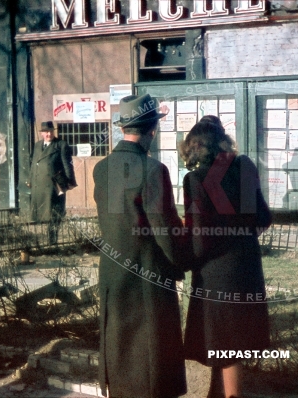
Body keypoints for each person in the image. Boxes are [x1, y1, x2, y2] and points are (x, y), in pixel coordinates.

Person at [93, 94, 187, 398]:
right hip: (149, 276)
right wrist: (182, 263)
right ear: (152, 130)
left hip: (113, 273)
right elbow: (166, 231)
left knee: (120, 353)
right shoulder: (152, 170)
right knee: (152, 363)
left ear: (122, 129)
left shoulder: (102, 169)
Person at [180, 116, 272, 398]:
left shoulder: (195, 180)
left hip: (216, 271)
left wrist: (184, 260)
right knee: (231, 339)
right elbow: (263, 217)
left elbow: (199, 235)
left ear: (195, 148)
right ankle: (215, 393)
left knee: (222, 338)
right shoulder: (244, 166)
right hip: (247, 264)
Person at [29, 121, 76, 245]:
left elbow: (67, 165)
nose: (48, 134)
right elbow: (34, 164)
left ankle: (52, 240)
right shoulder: (37, 145)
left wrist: (69, 181)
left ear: (53, 132)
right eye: (45, 132)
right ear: (41, 134)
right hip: (39, 184)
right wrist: (30, 180)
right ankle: (39, 242)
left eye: (50, 131)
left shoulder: (61, 145)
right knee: (40, 213)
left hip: (54, 185)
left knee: (53, 213)